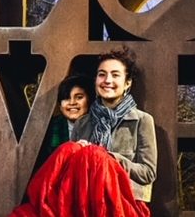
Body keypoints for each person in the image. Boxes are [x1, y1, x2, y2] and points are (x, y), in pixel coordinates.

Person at [10, 47, 157, 217]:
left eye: (115, 75)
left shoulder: (142, 121)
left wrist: (110, 159)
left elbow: (148, 173)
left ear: (127, 83)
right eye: (102, 74)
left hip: (122, 202)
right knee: (70, 150)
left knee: (94, 155)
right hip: (82, 203)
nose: (107, 80)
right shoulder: (83, 123)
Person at [38, 74, 95, 162]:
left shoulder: (99, 126)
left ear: (89, 100)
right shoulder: (50, 127)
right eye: (66, 98)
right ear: (60, 106)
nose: (72, 103)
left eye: (79, 97)